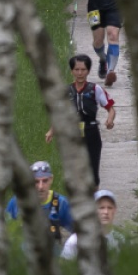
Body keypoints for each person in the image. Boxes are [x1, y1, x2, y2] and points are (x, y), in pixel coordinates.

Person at [45, 55, 116, 187]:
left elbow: (110, 108)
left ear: (88, 71)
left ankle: (94, 197)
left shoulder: (95, 89)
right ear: (72, 71)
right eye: (76, 70)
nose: (80, 73)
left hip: (91, 132)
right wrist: (51, 131)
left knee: (93, 172)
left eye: (83, 70)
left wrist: (110, 120)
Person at [6, 161, 75, 250]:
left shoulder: (61, 203)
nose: (40, 187)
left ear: (51, 179)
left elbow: (77, 233)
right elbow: (4, 229)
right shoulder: (17, 202)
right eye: (36, 182)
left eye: (45, 181)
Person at [61, 189, 117, 261]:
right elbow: (65, 265)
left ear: (115, 210)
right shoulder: (75, 241)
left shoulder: (120, 240)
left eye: (110, 208)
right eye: (101, 208)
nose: (106, 212)